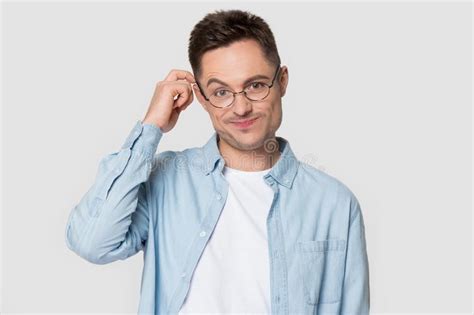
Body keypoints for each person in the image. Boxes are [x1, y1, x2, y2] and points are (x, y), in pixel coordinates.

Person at [64, 9, 370, 315]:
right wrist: (150, 128)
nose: (241, 107)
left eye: (256, 85)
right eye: (221, 91)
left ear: (283, 81)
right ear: (201, 97)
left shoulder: (335, 205)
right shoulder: (166, 181)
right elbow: (92, 242)